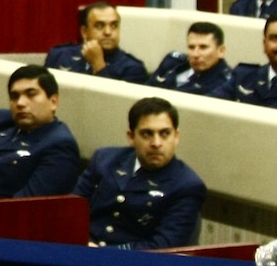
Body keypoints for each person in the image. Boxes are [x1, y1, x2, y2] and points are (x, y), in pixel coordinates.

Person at [73, 97, 207, 249]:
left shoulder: (187, 185)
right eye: (146, 134)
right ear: (131, 137)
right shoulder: (105, 160)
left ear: (176, 137)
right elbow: (71, 211)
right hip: (80, 251)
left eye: (165, 134)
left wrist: (101, 253)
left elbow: (163, 246)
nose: (156, 143)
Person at [0, 66, 84, 199]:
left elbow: (25, 208)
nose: (20, 103)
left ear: (53, 101)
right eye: (14, 96)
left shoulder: (59, 144)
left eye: (31, 94)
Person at [44, 1, 148, 83]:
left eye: (114, 25)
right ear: (84, 32)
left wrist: (99, 66)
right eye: (99, 26)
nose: (108, 32)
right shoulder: (59, 55)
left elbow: (114, 104)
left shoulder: (132, 68)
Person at [149, 21, 235, 98]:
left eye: (203, 47)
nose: (195, 54)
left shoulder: (225, 83)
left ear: (221, 51)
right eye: (191, 47)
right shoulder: (173, 62)